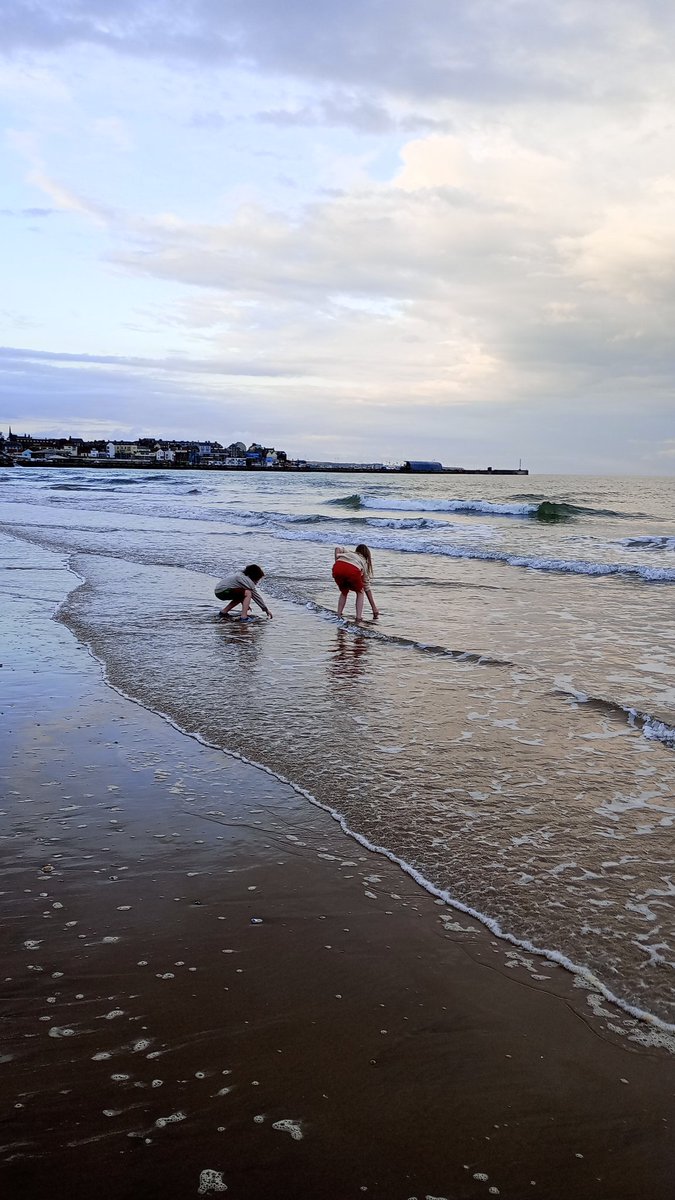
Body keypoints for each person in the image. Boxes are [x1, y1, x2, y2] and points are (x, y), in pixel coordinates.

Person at [332, 543, 379, 619]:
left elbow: (337, 548)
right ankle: (358, 617)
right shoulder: (364, 562)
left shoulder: (349, 553)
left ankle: (339, 614)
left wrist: (337, 561)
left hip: (337, 567)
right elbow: (366, 586)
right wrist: (374, 607)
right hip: (352, 569)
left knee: (344, 591)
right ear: (367, 555)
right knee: (360, 591)